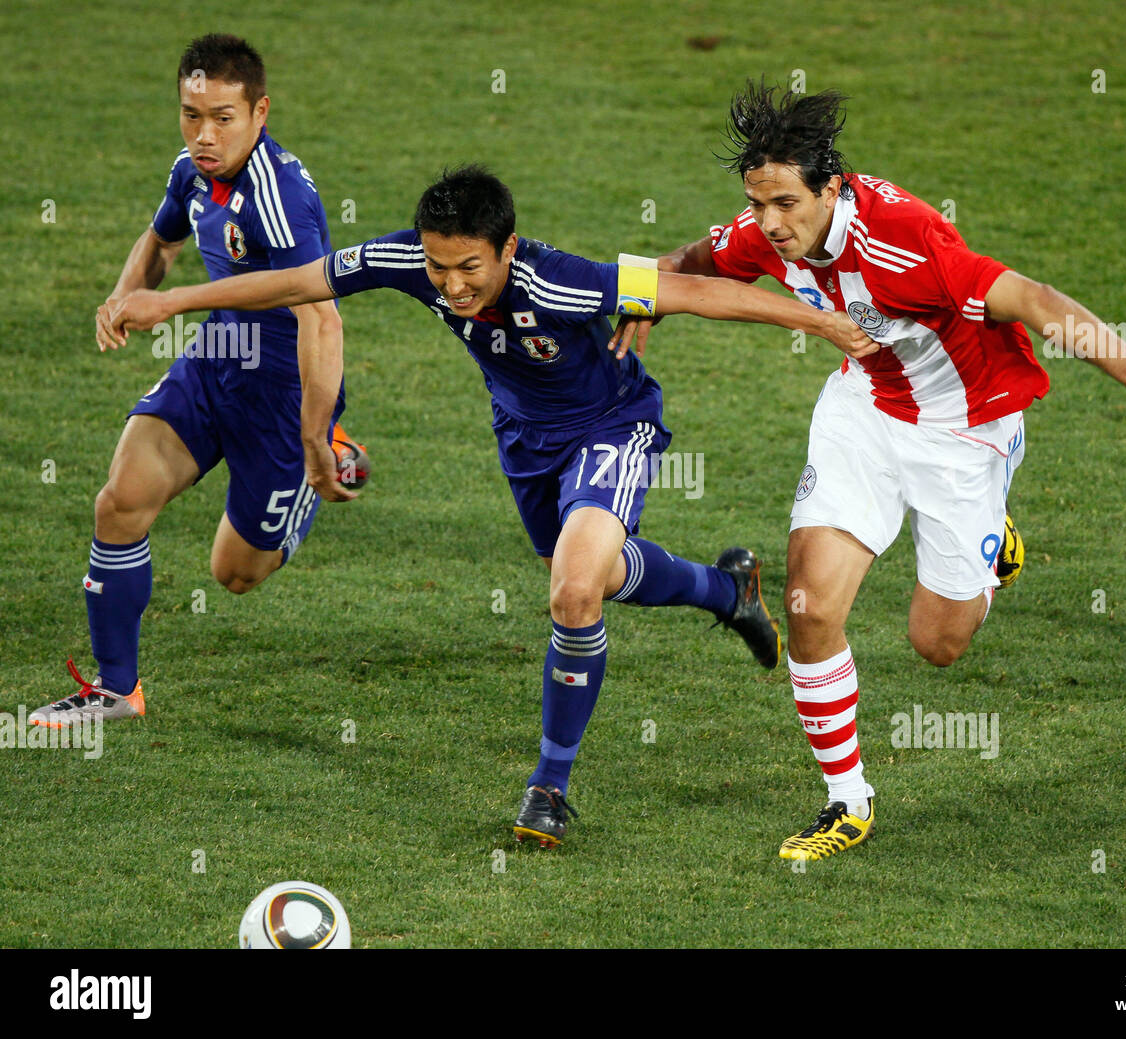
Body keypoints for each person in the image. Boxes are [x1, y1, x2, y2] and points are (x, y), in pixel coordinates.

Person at [107, 164, 874, 847]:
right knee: (594, 578)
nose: (451, 286)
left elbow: (697, 292)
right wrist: (175, 298)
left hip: (612, 427)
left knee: (573, 591)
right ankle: (726, 588)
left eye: (469, 267)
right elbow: (299, 281)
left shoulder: (559, 280)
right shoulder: (411, 259)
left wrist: (819, 321)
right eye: (438, 267)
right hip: (524, 441)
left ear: (507, 251)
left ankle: (550, 786)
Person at [612, 81, 1126, 861]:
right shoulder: (770, 226)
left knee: (936, 644)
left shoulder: (908, 241)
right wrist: (646, 293)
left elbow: (1035, 300)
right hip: (867, 408)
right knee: (808, 606)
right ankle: (848, 801)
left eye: (784, 205)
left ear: (830, 188)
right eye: (758, 202)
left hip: (962, 432)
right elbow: (702, 258)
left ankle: (992, 546)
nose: (769, 224)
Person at [30, 34, 365, 729]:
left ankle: (330, 454)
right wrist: (124, 295)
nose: (203, 134)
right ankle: (116, 689)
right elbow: (162, 239)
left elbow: (322, 321)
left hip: (284, 391)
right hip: (217, 360)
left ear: (260, 112)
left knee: (235, 575)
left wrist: (310, 433)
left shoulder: (278, 199)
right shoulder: (192, 170)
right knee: (119, 502)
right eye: (190, 114)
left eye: (222, 117)